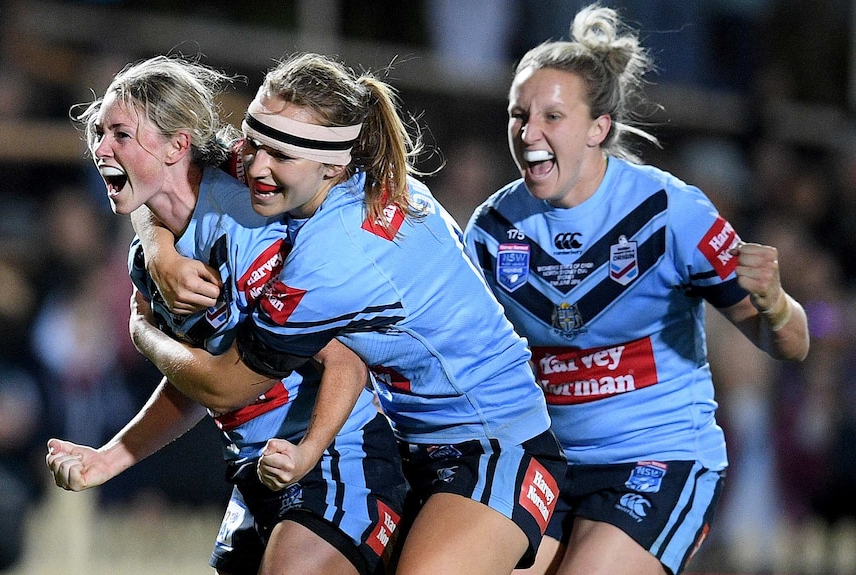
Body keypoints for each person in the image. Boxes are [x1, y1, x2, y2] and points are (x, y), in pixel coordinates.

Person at [130, 52, 567, 575]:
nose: (256, 167)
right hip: (414, 447)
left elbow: (225, 387)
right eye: (255, 141)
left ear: (332, 163)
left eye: (281, 155)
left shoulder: (333, 254)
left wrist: (143, 332)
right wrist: (160, 255)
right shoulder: (349, 178)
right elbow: (153, 183)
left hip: (491, 444)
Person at [462, 5, 810, 575]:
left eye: (552, 116)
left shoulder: (671, 213)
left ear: (599, 128)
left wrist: (776, 302)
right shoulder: (493, 229)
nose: (528, 134)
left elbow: (791, 344)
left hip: (658, 461)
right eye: (518, 115)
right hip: (547, 467)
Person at [44, 55, 409, 575]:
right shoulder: (148, 261)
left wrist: (143, 332)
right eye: (99, 132)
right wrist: (110, 457)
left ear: (178, 144)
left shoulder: (249, 222)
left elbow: (345, 360)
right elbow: (193, 381)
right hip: (259, 473)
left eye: (120, 134)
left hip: (336, 461)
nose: (100, 148)